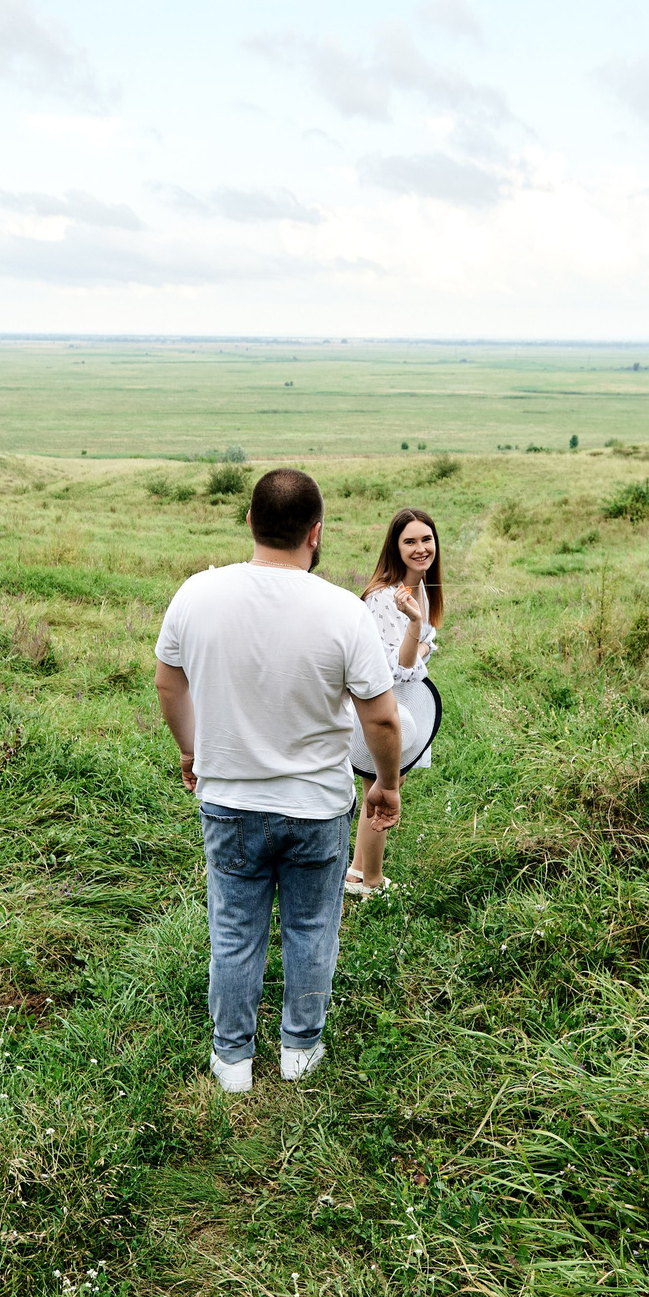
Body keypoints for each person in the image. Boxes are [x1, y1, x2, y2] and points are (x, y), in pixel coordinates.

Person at [153, 468, 404, 1092]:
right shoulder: (343, 610)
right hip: (317, 805)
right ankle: (299, 1050)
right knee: (311, 929)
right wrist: (387, 784)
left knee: (233, 932)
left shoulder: (196, 594)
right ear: (316, 534)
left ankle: (232, 1060)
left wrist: (191, 751)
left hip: (229, 799)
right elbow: (381, 715)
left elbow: (168, 680)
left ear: (249, 524)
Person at [345, 507, 442, 898]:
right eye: (410, 541)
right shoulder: (385, 598)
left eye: (426, 539)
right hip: (387, 707)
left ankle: (356, 871)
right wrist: (416, 633)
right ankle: (371, 882)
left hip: (406, 705)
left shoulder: (420, 587)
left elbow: (419, 652)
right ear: (394, 546)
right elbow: (397, 670)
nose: (421, 549)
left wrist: (420, 643)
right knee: (382, 788)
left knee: (384, 784)